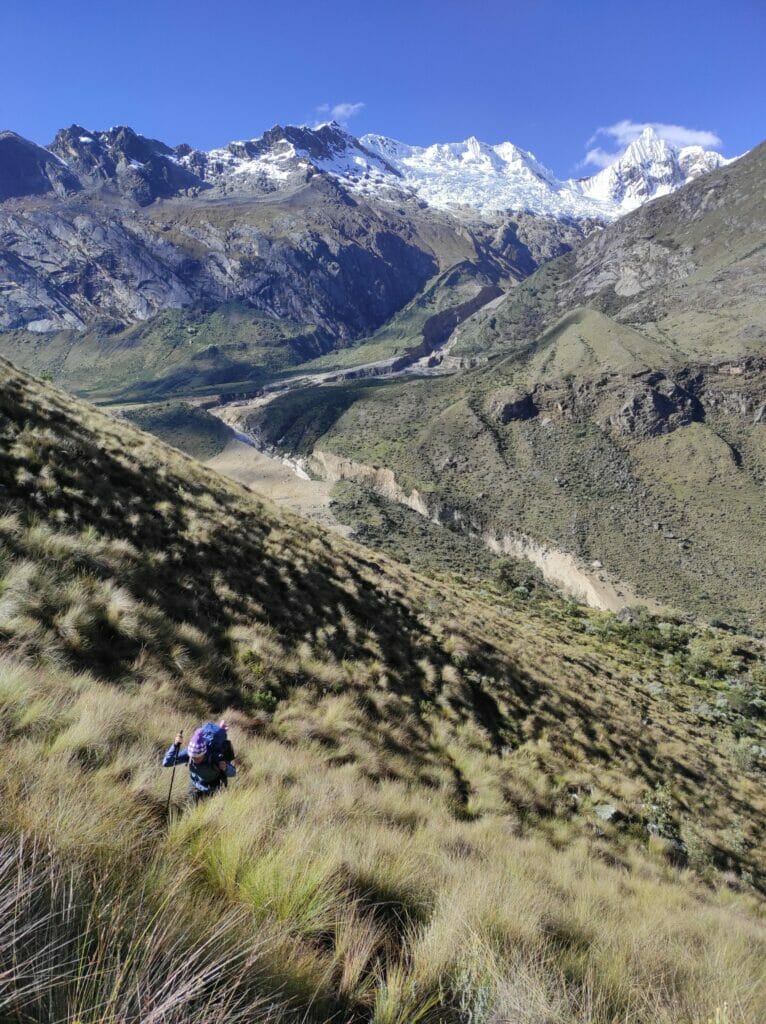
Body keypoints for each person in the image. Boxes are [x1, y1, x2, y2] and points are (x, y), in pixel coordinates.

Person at [162, 720, 236, 805]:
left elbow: (233, 773)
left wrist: (226, 767)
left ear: (204, 753)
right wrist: (175, 745)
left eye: (197, 757)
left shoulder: (216, 756)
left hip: (215, 789)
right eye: (192, 756)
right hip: (195, 785)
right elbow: (166, 762)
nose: (193, 759)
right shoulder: (189, 753)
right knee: (190, 810)